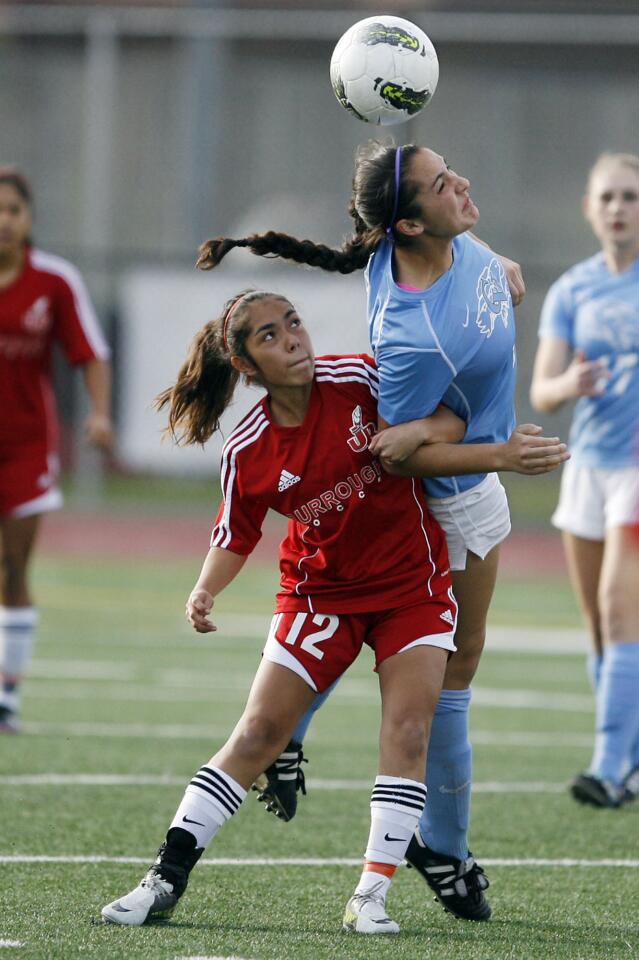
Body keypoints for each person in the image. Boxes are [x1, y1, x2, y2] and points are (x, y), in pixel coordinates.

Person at [101, 290, 566, 934]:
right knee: (257, 735)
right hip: (318, 596)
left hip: (412, 586)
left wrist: (419, 431)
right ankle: (162, 880)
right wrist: (205, 589)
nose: (292, 337)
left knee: (408, 733)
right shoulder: (249, 446)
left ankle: (370, 897)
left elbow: (453, 420)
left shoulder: (359, 378)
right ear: (246, 365)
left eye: (292, 322)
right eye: (269, 335)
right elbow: (235, 533)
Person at [190, 140, 542, 922]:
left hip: (476, 483)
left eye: (452, 171)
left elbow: (455, 241)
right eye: (442, 184)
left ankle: (294, 743)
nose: (462, 183)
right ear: (408, 225)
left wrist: (497, 261)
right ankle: (442, 852)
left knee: (463, 665)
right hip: (447, 495)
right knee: (446, 686)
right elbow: (398, 454)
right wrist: (501, 454)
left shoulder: (430, 239)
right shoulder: (416, 337)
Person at [530, 152, 639, 810]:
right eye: (607, 197)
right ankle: (629, 759)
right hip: (588, 469)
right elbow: (542, 392)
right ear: (588, 208)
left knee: (617, 607)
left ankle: (605, 766)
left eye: (629, 196)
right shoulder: (572, 288)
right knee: (598, 629)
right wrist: (568, 382)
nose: (618, 208)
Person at [0, 166, 113, 734]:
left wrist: (98, 413)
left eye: (13, 210)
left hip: (25, 446)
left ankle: (7, 700)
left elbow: (90, 353)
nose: (3, 221)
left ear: (29, 218)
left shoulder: (54, 282)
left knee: (14, 568)